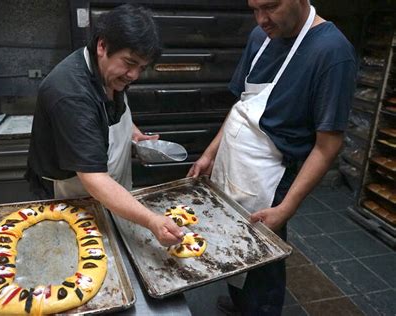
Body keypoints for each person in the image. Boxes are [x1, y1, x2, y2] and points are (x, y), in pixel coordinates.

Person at [187, 0, 356, 314]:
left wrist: (286, 208)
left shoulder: (332, 52)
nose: (261, 19)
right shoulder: (260, 36)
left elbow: (327, 146)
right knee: (231, 242)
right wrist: (210, 153)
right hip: (232, 162)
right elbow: (243, 104)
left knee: (263, 265)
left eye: (271, 7)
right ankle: (240, 303)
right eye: (254, 8)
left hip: (269, 176)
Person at [26, 4, 183, 247]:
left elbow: (109, 112)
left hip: (110, 186)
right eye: (129, 63)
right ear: (102, 46)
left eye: (141, 68)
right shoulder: (71, 94)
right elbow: (94, 179)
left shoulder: (111, 71)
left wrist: (134, 133)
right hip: (73, 191)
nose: (133, 75)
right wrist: (152, 221)